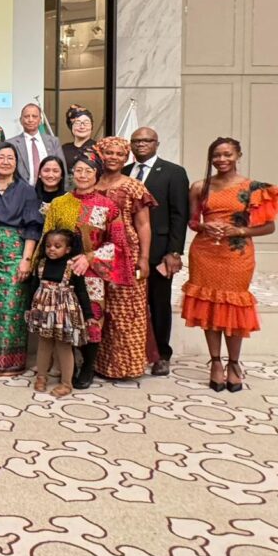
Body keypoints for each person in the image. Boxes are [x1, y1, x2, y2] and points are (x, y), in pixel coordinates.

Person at [182, 137, 278, 392]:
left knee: (234, 305)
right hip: (204, 252)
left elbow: (269, 227)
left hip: (237, 254)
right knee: (208, 306)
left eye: (227, 154)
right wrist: (204, 226)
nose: (222, 159)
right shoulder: (199, 186)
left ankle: (234, 364)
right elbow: (192, 222)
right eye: (217, 155)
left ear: (238, 155)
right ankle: (216, 362)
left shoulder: (254, 188)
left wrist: (238, 231)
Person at [40, 155, 128, 389]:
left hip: (93, 274)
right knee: (65, 319)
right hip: (63, 273)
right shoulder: (59, 203)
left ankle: (88, 367)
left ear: (97, 175)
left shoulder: (108, 206)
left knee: (92, 318)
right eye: (78, 170)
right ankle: (68, 366)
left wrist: (90, 258)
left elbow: (118, 244)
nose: (82, 175)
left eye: (88, 171)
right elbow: (47, 238)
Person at [125, 127, 190, 375]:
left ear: (157, 144)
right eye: (136, 141)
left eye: (146, 140)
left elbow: (179, 214)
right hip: (126, 250)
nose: (141, 144)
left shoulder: (173, 172)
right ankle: (134, 350)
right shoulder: (124, 172)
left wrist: (174, 252)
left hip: (159, 251)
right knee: (130, 303)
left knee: (159, 302)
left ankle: (162, 354)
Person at [93, 136, 156, 381]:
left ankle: (125, 367)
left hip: (126, 255)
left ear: (126, 158)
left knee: (125, 311)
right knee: (101, 309)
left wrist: (144, 258)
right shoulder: (92, 182)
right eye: (109, 153)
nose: (113, 157)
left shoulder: (134, 186)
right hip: (96, 254)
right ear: (101, 155)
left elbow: (144, 225)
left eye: (119, 154)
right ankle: (99, 364)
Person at [0, 142, 43, 375]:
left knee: (13, 308)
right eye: (1, 157)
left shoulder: (26, 190)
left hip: (16, 254)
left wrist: (26, 259)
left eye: (10, 158)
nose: (5, 162)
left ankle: (12, 362)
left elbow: (33, 227)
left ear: (17, 163)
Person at [26, 229, 94, 397]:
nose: (52, 249)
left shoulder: (72, 266)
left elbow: (82, 291)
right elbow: (33, 287)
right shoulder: (41, 263)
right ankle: (41, 377)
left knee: (64, 346)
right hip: (43, 310)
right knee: (44, 344)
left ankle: (66, 383)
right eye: (48, 245)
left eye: (57, 246)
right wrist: (28, 307)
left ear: (68, 249)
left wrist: (89, 315)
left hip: (65, 311)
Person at [8, 103, 66, 186]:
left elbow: (62, 169)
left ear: (40, 120)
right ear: (21, 120)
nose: (30, 120)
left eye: (34, 116)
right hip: (21, 190)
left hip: (49, 189)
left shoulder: (53, 141)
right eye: (26, 116)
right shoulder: (11, 143)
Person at [63, 104, 97, 171]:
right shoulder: (63, 149)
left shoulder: (98, 148)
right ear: (71, 127)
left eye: (86, 123)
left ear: (91, 126)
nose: (82, 127)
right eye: (77, 123)